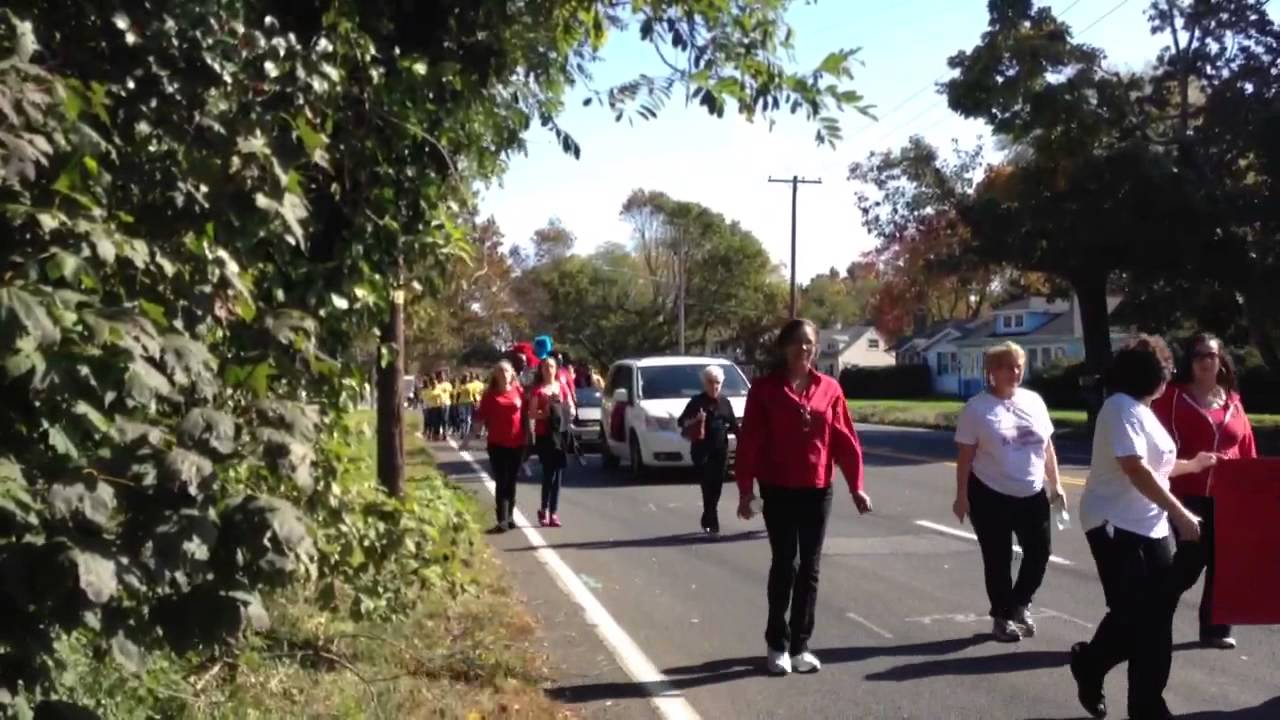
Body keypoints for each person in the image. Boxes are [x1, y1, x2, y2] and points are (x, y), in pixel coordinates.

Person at [1070, 337, 1219, 720]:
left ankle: (1143, 702)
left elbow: (1156, 467)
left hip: (1150, 526)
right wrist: (1181, 513)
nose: (1171, 374)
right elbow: (1134, 467)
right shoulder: (1118, 408)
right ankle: (1095, 668)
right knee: (1135, 614)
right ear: (1152, 375)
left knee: (1156, 615)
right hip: (1113, 523)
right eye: (1166, 369)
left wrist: (1194, 464)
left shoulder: (1142, 410)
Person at [735, 318, 871, 676]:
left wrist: (856, 485)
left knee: (810, 568)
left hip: (817, 488)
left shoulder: (829, 388)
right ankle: (776, 644)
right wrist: (745, 492)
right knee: (785, 564)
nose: (803, 348)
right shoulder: (764, 389)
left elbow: (844, 438)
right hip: (777, 487)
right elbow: (750, 442)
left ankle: (800, 645)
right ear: (784, 347)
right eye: (796, 342)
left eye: (809, 342)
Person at [953, 342, 1065, 643]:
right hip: (990, 493)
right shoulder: (977, 408)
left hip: (1031, 491)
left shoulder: (1034, 401)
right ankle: (1002, 617)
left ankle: (1020, 604)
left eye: (1018, 366)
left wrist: (1056, 484)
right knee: (998, 559)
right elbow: (965, 456)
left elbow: (1047, 446)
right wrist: (961, 495)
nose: (1014, 372)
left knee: (1040, 552)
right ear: (992, 372)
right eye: (1007, 367)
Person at [1152, 332, 1258, 650]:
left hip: (1229, 495)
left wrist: (1253, 487)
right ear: (1190, 361)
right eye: (1198, 355)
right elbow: (1157, 446)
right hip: (1187, 492)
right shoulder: (1172, 398)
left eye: (1211, 355)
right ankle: (1150, 610)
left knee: (1224, 561)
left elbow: (1247, 446)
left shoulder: (1232, 401)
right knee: (1192, 558)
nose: (1205, 361)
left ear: (1220, 360)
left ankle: (1215, 628)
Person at [680, 365, 740, 537]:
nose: (714, 386)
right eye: (710, 382)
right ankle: (712, 522)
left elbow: (734, 425)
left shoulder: (724, 402)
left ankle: (708, 515)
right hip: (701, 450)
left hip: (720, 450)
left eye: (718, 383)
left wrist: (743, 442)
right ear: (704, 383)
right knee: (707, 485)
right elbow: (681, 422)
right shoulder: (696, 402)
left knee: (717, 486)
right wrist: (694, 420)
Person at [465, 361, 525, 532]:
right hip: (497, 444)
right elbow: (480, 419)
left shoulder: (519, 391)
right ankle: (502, 519)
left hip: (517, 443)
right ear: (495, 375)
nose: (504, 374)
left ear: (512, 373)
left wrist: (531, 436)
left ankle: (510, 516)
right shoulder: (489, 395)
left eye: (506, 371)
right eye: (500, 371)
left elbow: (528, 415)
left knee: (512, 481)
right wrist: (469, 438)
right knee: (501, 480)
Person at [528, 357, 574, 528]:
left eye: (552, 366)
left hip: (561, 433)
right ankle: (544, 509)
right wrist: (545, 413)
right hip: (545, 435)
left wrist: (569, 411)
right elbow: (532, 414)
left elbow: (570, 406)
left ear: (556, 369)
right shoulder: (538, 391)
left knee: (559, 474)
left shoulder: (562, 387)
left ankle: (554, 512)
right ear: (541, 370)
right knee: (549, 473)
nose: (549, 369)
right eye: (546, 367)